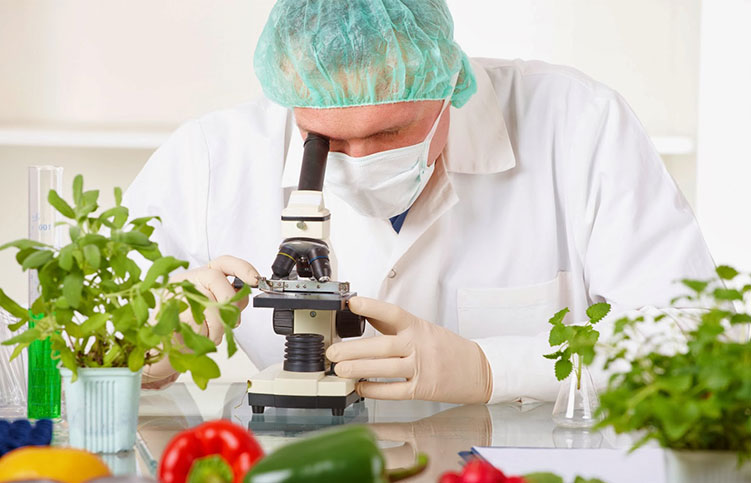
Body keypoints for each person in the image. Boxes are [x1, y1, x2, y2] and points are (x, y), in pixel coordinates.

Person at [123, 0, 715, 403]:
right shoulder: (209, 158)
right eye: (322, 139)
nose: (356, 160)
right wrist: (148, 356)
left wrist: (492, 368)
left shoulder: (578, 126)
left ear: (448, 84)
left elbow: (699, 342)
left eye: (387, 135)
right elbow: (72, 344)